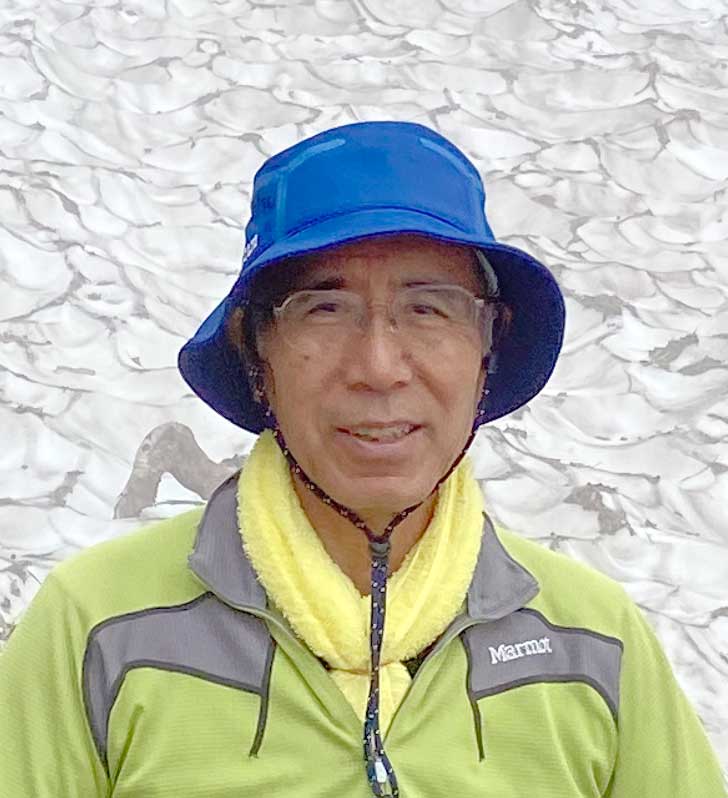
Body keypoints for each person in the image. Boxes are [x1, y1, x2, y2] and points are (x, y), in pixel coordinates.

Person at [0, 121, 724, 798]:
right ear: (256, 349)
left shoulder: (593, 647)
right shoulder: (96, 630)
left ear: (489, 345)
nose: (379, 367)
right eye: (324, 308)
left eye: (429, 307)